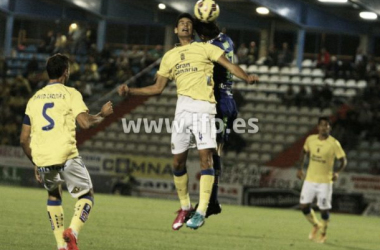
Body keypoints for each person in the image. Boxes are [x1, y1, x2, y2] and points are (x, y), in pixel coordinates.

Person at [118, 13, 258, 230]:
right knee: (177, 162)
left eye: (188, 24)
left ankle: (201, 212)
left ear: (193, 30)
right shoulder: (169, 56)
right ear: (175, 30)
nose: (184, 26)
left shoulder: (205, 48)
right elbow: (157, 88)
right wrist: (131, 91)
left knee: (206, 159)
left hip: (204, 108)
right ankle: (185, 207)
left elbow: (229, 66)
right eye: (181, 24)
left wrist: (246, 76)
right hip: (182, 111)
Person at [20, 54, 113, 250]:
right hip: (66, 155)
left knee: (54, 195)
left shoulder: (34, 99)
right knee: (87, 195)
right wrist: (101, 115)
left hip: (43, 158)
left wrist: (35, 162)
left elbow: (23, 138)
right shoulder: (71, 93)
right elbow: (85, 123)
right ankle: (73, 231)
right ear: (65, 72)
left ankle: (61, 246)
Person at [193, 20, 250, 218]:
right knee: (211, 153)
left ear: (202, 35)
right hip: (218, 101)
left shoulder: (211, 47)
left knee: (213, 153)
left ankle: (212, 202)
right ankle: (211, 201)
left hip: (221, 102)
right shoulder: (227, 40)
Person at [296, 117, 347, 243]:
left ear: (330, 128)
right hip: (310, 179)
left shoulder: (334, 143)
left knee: (324, 209)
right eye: (322, 125)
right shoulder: (310, 140)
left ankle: (323, 233)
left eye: (327, 125)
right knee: (303, 206)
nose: (324, 127)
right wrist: (300, 169)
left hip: (325, 181)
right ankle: (316, 225)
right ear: (318, 127)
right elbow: (303, 152)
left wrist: (337, 172)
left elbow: (343, 161)